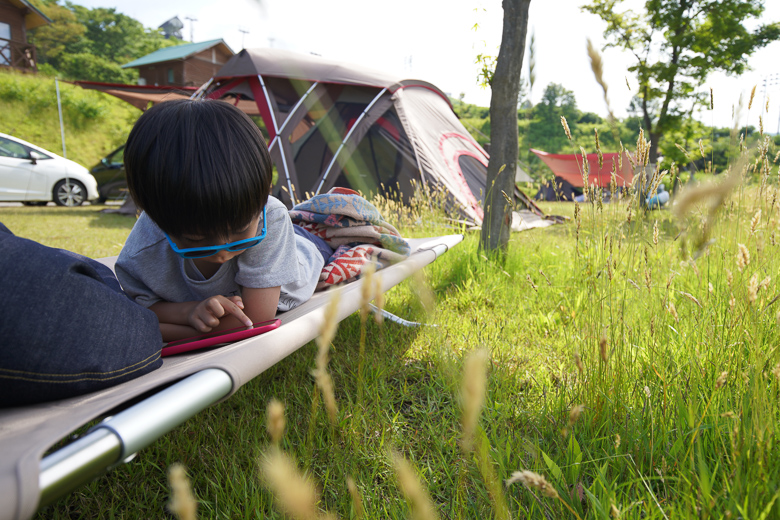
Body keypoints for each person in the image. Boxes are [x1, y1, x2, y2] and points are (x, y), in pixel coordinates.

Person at [115, 99, 331, 342]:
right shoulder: (141, 254)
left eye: (239, 230)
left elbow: (256, 320)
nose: (222, 252)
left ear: (265, 193)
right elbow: (142, 308)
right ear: (156, 219)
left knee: (318, 240)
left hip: (305, 251)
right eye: (197, 239)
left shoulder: (270, 216)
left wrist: (171, 331)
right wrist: (189, 311)